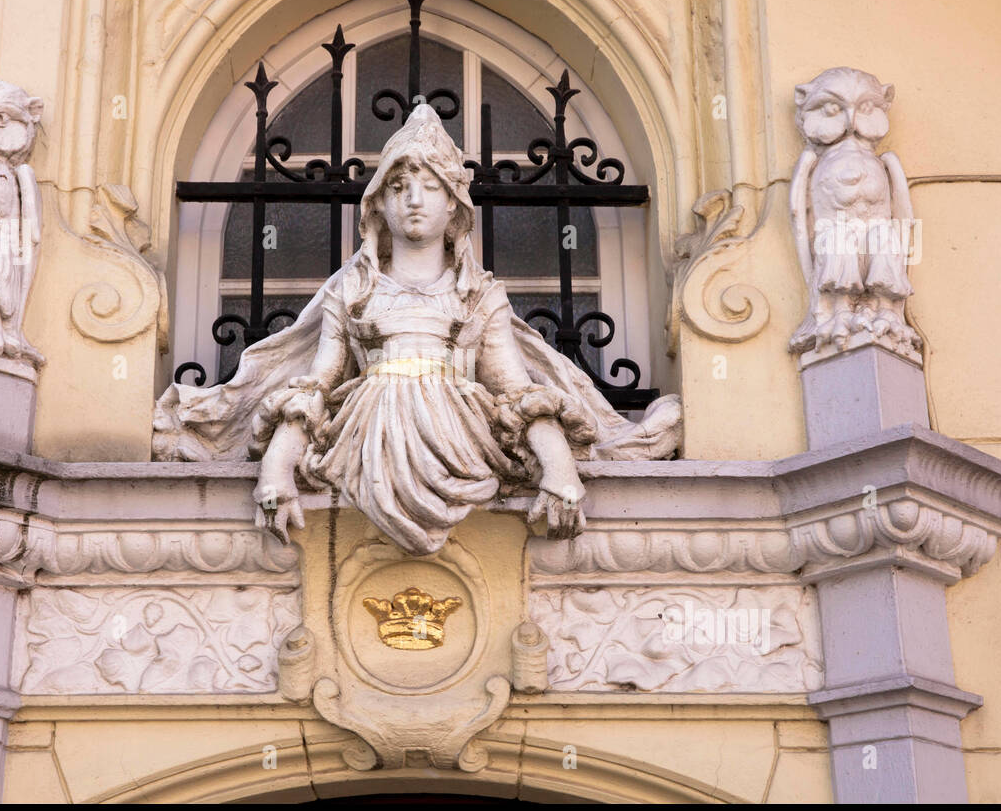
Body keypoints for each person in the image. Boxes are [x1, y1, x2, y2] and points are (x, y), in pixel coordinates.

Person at [151, 102, 682, 556]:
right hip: (365, 433)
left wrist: (560, 470)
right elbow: (314, 389)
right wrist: (274, 473)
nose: (414, 199)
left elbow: (517, 391)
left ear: (453, 202)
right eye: (400, 186)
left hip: (463, 436)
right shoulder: (353, 293)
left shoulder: (478, 295)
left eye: (430, 186)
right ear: (377, 203)